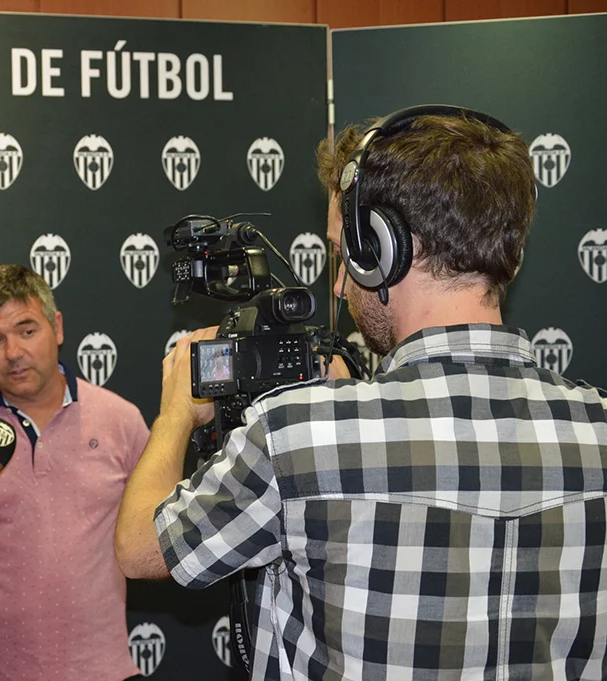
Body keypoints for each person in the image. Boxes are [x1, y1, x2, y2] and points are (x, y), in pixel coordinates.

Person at [115, 107, 607, 680]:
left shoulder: (295, 437)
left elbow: (138, 546)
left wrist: (176, 412)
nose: (341, 280)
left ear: (380, 250)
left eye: (341, 250)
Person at [0, 264, 148, 681]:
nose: (13, 353)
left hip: (100, 671)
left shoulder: (122, 422)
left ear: (56, 327)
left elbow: (151, 541)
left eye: (26, 330)